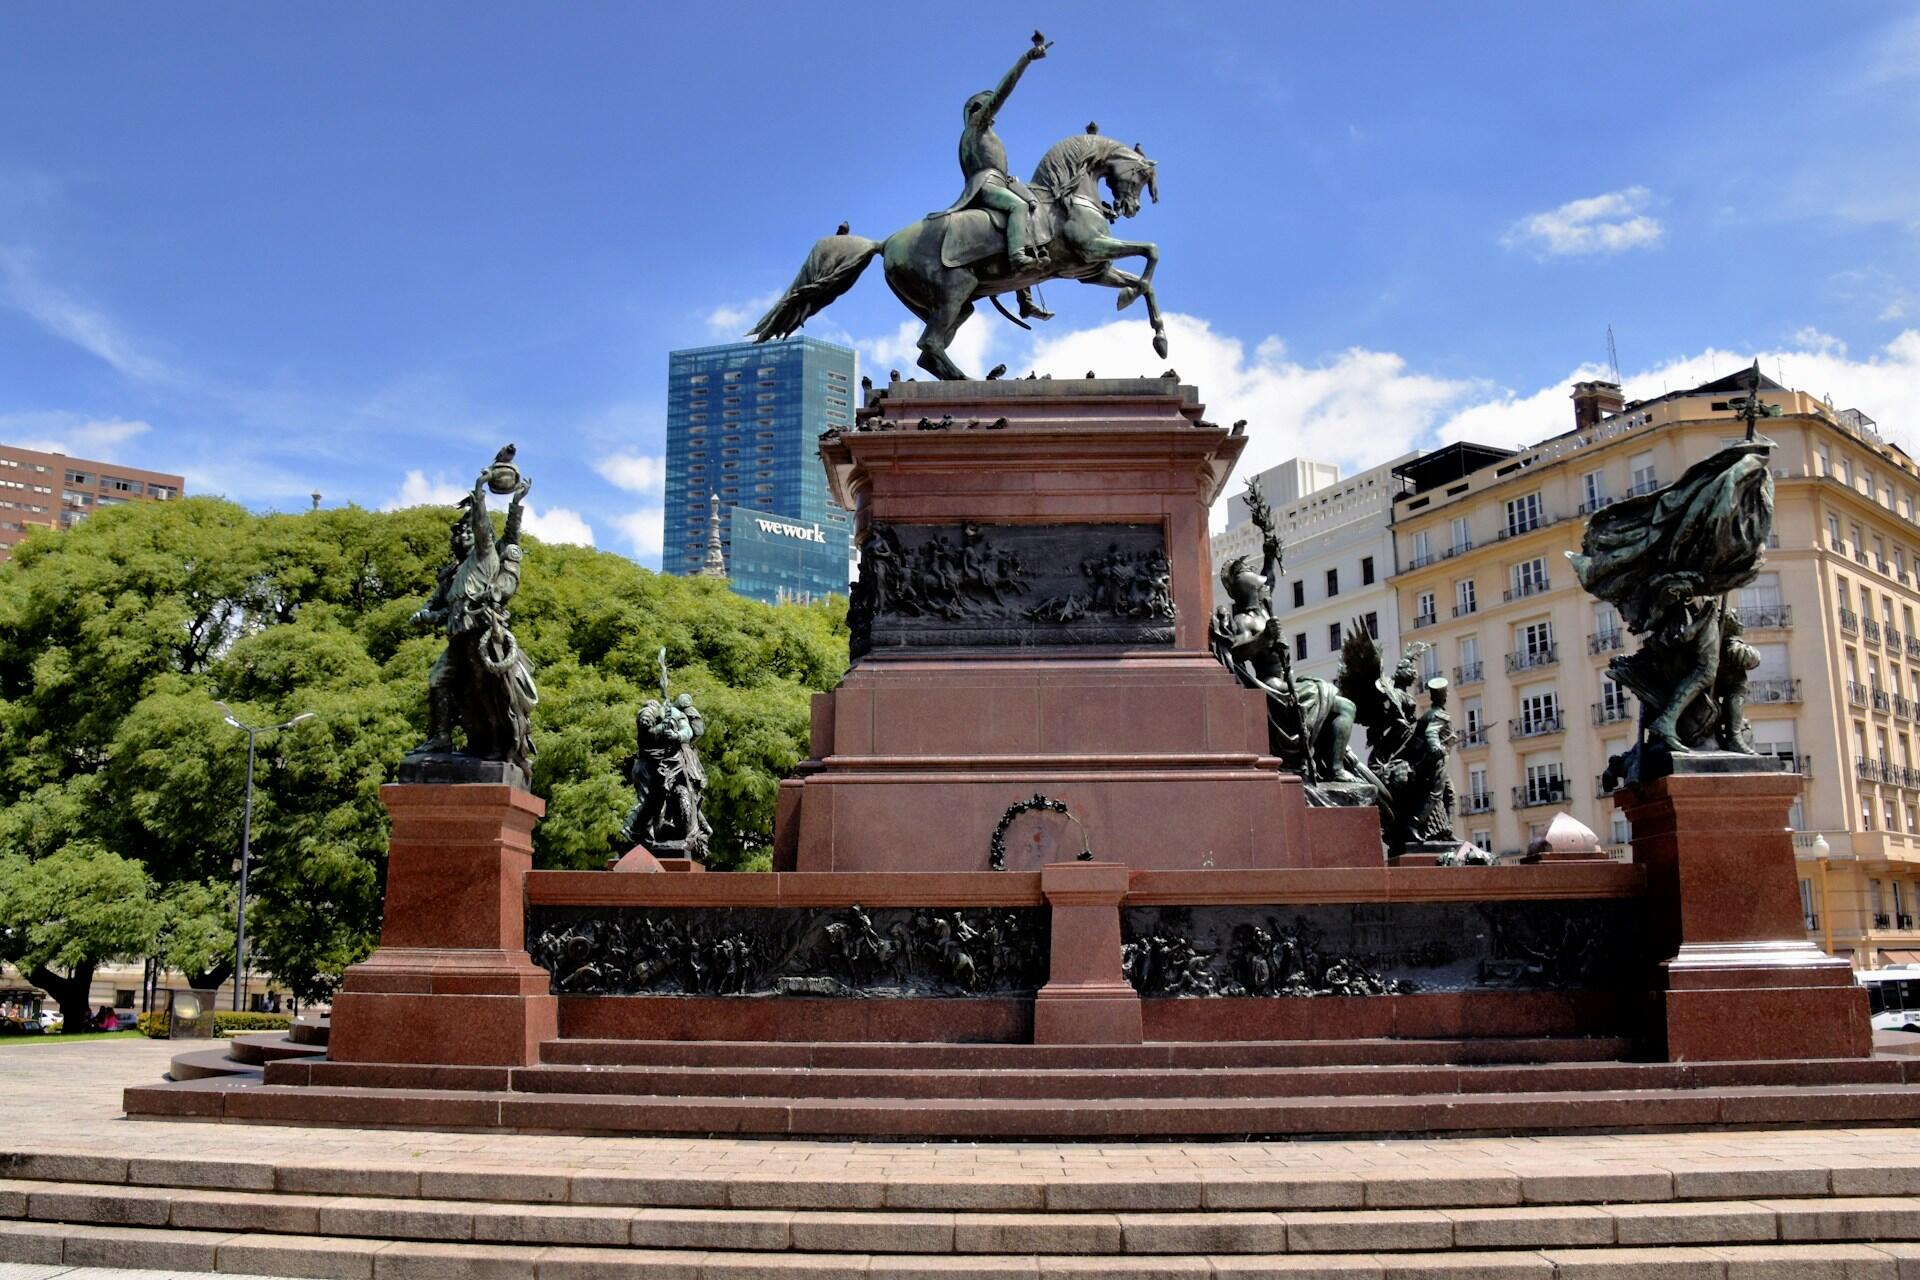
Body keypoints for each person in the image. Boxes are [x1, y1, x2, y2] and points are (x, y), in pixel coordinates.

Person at [939, 34, 1055, 321]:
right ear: (977, 110)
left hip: (999, 180)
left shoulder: (985, 134)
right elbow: (1004, 90)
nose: (995, 111)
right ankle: (1017, 258)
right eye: (989, 105)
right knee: (1017, 207)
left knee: (1032, 210)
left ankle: (1024, 296)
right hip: (986, 185)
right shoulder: (976, 127)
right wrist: (1026, 59)